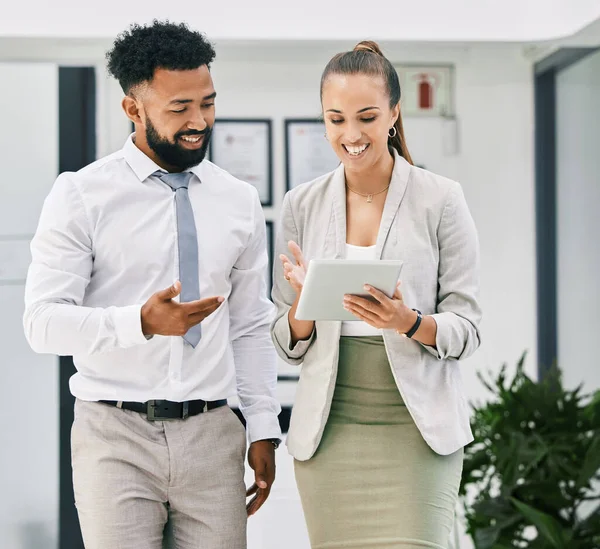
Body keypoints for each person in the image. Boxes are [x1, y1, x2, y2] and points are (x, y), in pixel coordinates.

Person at [23, 20, 281, 549]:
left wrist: (261, 425)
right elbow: (42, 325)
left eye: (207, 103)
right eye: (179, 108)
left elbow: (251, 324)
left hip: (213, 432)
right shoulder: (82, 195)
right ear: (133, 109)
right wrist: (138, 322)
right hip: (114, 434)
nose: (199, 121)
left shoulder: (237, 200)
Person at [271, 40, 481, 548]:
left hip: (416, 429)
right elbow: (285, 341)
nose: (351, 134)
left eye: (366, 117)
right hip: (331, 428)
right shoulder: (301, 205)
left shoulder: (441, 199)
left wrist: (407, 321)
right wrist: (304, 301)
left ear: (394, 113)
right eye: (335, 119)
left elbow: (468, 327)